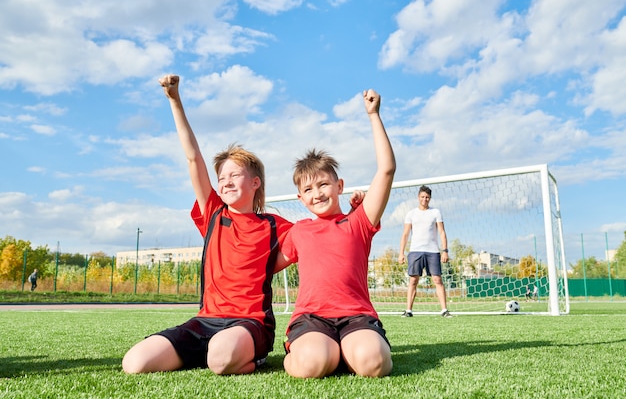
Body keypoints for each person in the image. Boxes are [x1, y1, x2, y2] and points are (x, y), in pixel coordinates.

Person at [122, 74, 294, 375]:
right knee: (135, 363)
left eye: (234, 175)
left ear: (255, 183)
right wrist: (175, 100)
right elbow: (193, 159)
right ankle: (212, 350)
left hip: (250, 322)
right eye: (222, 177)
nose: (226, 182)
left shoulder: (275, 226)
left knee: (220, 359)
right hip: (206, 320)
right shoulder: (214, 214)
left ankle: (251, 355)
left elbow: (314, 241)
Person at [275, 89, 395, 378]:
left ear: (339, 185)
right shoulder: (299, 231)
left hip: (356, 317)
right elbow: (263, 267)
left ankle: (346, 350)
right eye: (308, 189)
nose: (317, 194)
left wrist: (373, 115)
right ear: (300, 198)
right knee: (312, 365)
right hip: (312, 318)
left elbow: (387, 170)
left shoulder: (359, 221)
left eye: (323, 185)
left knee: (374, 364)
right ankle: (310, 351)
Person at [398, 185, 452, 318]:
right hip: (415, 251)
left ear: (430, 198)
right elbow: (405, 234)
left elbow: (441, 232)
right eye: (422, 197)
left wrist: (445, 251)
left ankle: (444, 310)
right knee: (413, 281)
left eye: (427, 197)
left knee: (437, 279)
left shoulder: (435, 212)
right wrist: (401, 253)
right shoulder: (411, 213)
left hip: (432, 251)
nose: (424, 199)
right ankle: (408, 310)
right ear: (418, 197)